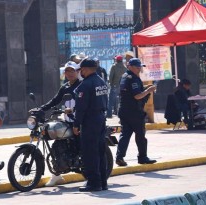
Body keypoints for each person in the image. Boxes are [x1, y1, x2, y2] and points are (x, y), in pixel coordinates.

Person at [38, 61, 82, 186]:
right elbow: (55, 100)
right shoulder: (65, 87)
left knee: (81, 146)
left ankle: (88, 169)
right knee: (57, 145)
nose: (69, 73)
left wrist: (74, 111)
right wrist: (41, 109)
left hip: (79, 121)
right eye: (67, 71)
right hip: (67, 120)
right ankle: (56, 175)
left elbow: (84, 103)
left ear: (77, 72)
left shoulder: (81, 86)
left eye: (72, 71)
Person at [73, 58, 108, 192]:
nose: (80, 72)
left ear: (86, 69)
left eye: (81, 70)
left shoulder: (85, 85)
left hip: (90, 120)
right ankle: (103, 182)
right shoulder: (101, 81)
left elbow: (81, 107)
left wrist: (77, 124)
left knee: (90, 153)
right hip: (101, 118)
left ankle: (94, 183)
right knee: (100, 152)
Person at [115, 58, 157, 167]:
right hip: (134, 111)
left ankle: (119, 157)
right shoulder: (133, 78)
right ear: (130, 67)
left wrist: (145, 89)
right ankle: (142, 157)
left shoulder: (125, 77)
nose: (139, 69)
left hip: (124, 110)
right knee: (140, 135)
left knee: (125, 134)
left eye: (140, 67)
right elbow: (137, 96)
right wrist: (148, 91)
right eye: (137, 67)